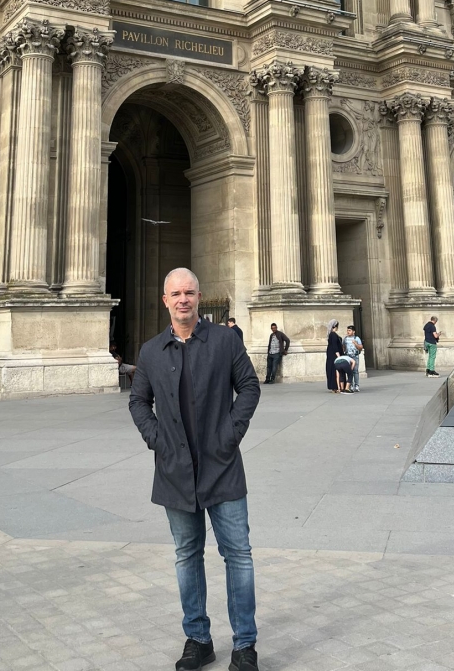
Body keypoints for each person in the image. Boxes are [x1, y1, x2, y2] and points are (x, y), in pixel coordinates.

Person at [129, 268, 261, 671]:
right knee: (187, 555)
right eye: (176, 293)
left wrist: (230, 434)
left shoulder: (224, 341)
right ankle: (198, 639)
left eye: (189, 292)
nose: (183, 299)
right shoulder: (151, 351)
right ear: (164, 300)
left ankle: (244, 647)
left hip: (221, 466)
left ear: (200, 297)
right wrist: (158, 440)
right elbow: (138, 402)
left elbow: (250, 387)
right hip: (175, 469)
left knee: (237, 554)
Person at [343, 325, 364, 392]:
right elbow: (343, 346)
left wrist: (356, 344)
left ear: (353, 331)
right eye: (347, 330)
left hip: (355, 356)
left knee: (355, 371)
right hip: (348, 356)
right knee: (349, 371)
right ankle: (350, 385)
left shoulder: (357, 338)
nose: (348, 332)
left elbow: (361, 347)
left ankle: (356, 385)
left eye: (349, 330)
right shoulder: (345, 339)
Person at [326, 320, 344, 393]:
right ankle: (336, 386)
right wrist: (338, 355)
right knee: (335, 370)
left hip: (332, 354)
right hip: (334, 355)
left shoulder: (332, 334)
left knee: (334, 370)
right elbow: (334, 346)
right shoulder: (333, 334)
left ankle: (336, 386)